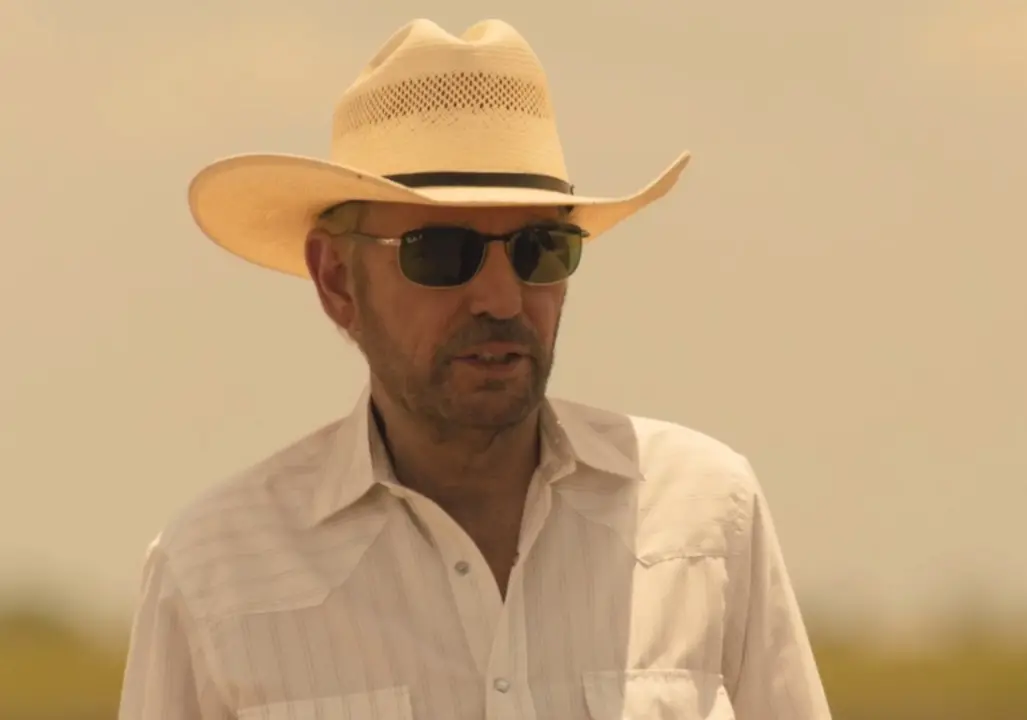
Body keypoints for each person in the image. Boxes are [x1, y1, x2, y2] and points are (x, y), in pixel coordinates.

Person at [118, 17, 832, 720]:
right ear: (337, 278)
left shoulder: (704, 519)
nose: (501, 297)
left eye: (540, 248)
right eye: (441, 252)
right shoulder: (214, 576)